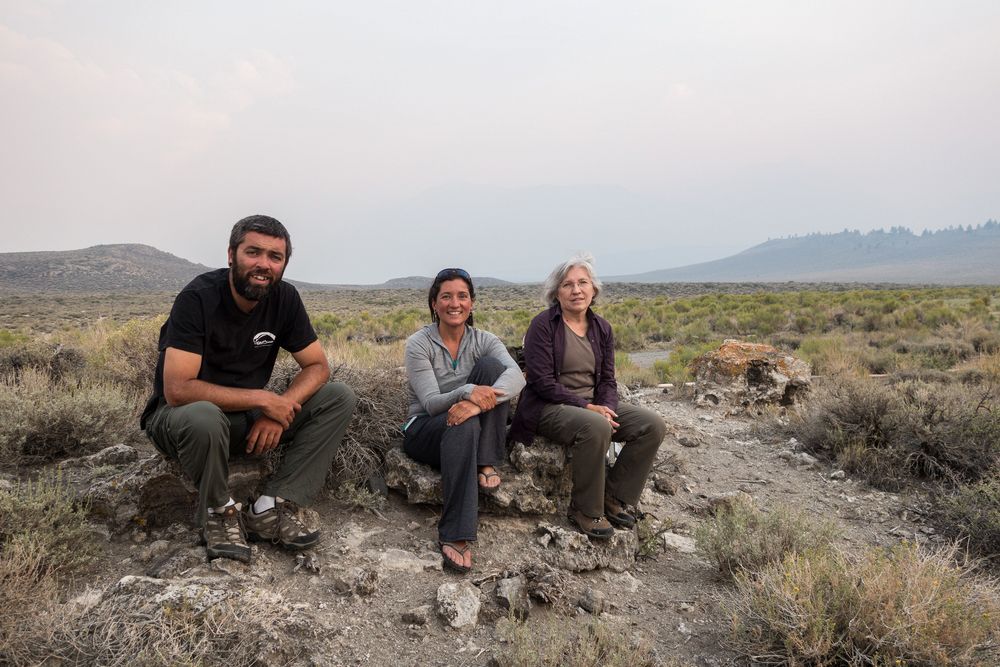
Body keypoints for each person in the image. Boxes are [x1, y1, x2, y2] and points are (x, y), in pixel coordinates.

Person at [140, 215, 357, 562]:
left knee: (339, 397)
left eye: (275, 257)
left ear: (284, 264)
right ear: (231, 254)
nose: (263, 265)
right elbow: (177, 389)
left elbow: (318, 366)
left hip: (243, 420)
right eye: (253, 252)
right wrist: (262, 399)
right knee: (204, 415)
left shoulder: (284, 299)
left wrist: (281, 407)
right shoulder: (197, 298)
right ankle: (218, 512)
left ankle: (271, 507)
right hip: (181, 420)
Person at [509, 253, 666, 539]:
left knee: (651, 425)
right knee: (596, 425)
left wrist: (605, 406)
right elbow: (542, 382)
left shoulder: (602, 328)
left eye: (583, 282)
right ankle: (586, 509)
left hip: (592, 404)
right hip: (549, 407)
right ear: (557, 292)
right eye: (568, 284)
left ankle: (614, 496)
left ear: (594, 290)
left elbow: (608, 379)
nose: (576, 290)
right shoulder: (543, 326)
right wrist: (588, 407)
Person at [403, 268, 526, 573]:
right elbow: (431, 403)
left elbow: (517, 377)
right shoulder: (419, 344)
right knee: (464, 419)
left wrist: (475, 405)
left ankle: (485, 459)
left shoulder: (483, 339)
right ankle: (455, 532)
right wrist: (468, 393)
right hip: (423, 429)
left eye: (462, 296)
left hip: (468, 424)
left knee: (490, 367)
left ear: (472, 303)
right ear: (434, 303)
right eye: (446, 296)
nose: (454, 303)